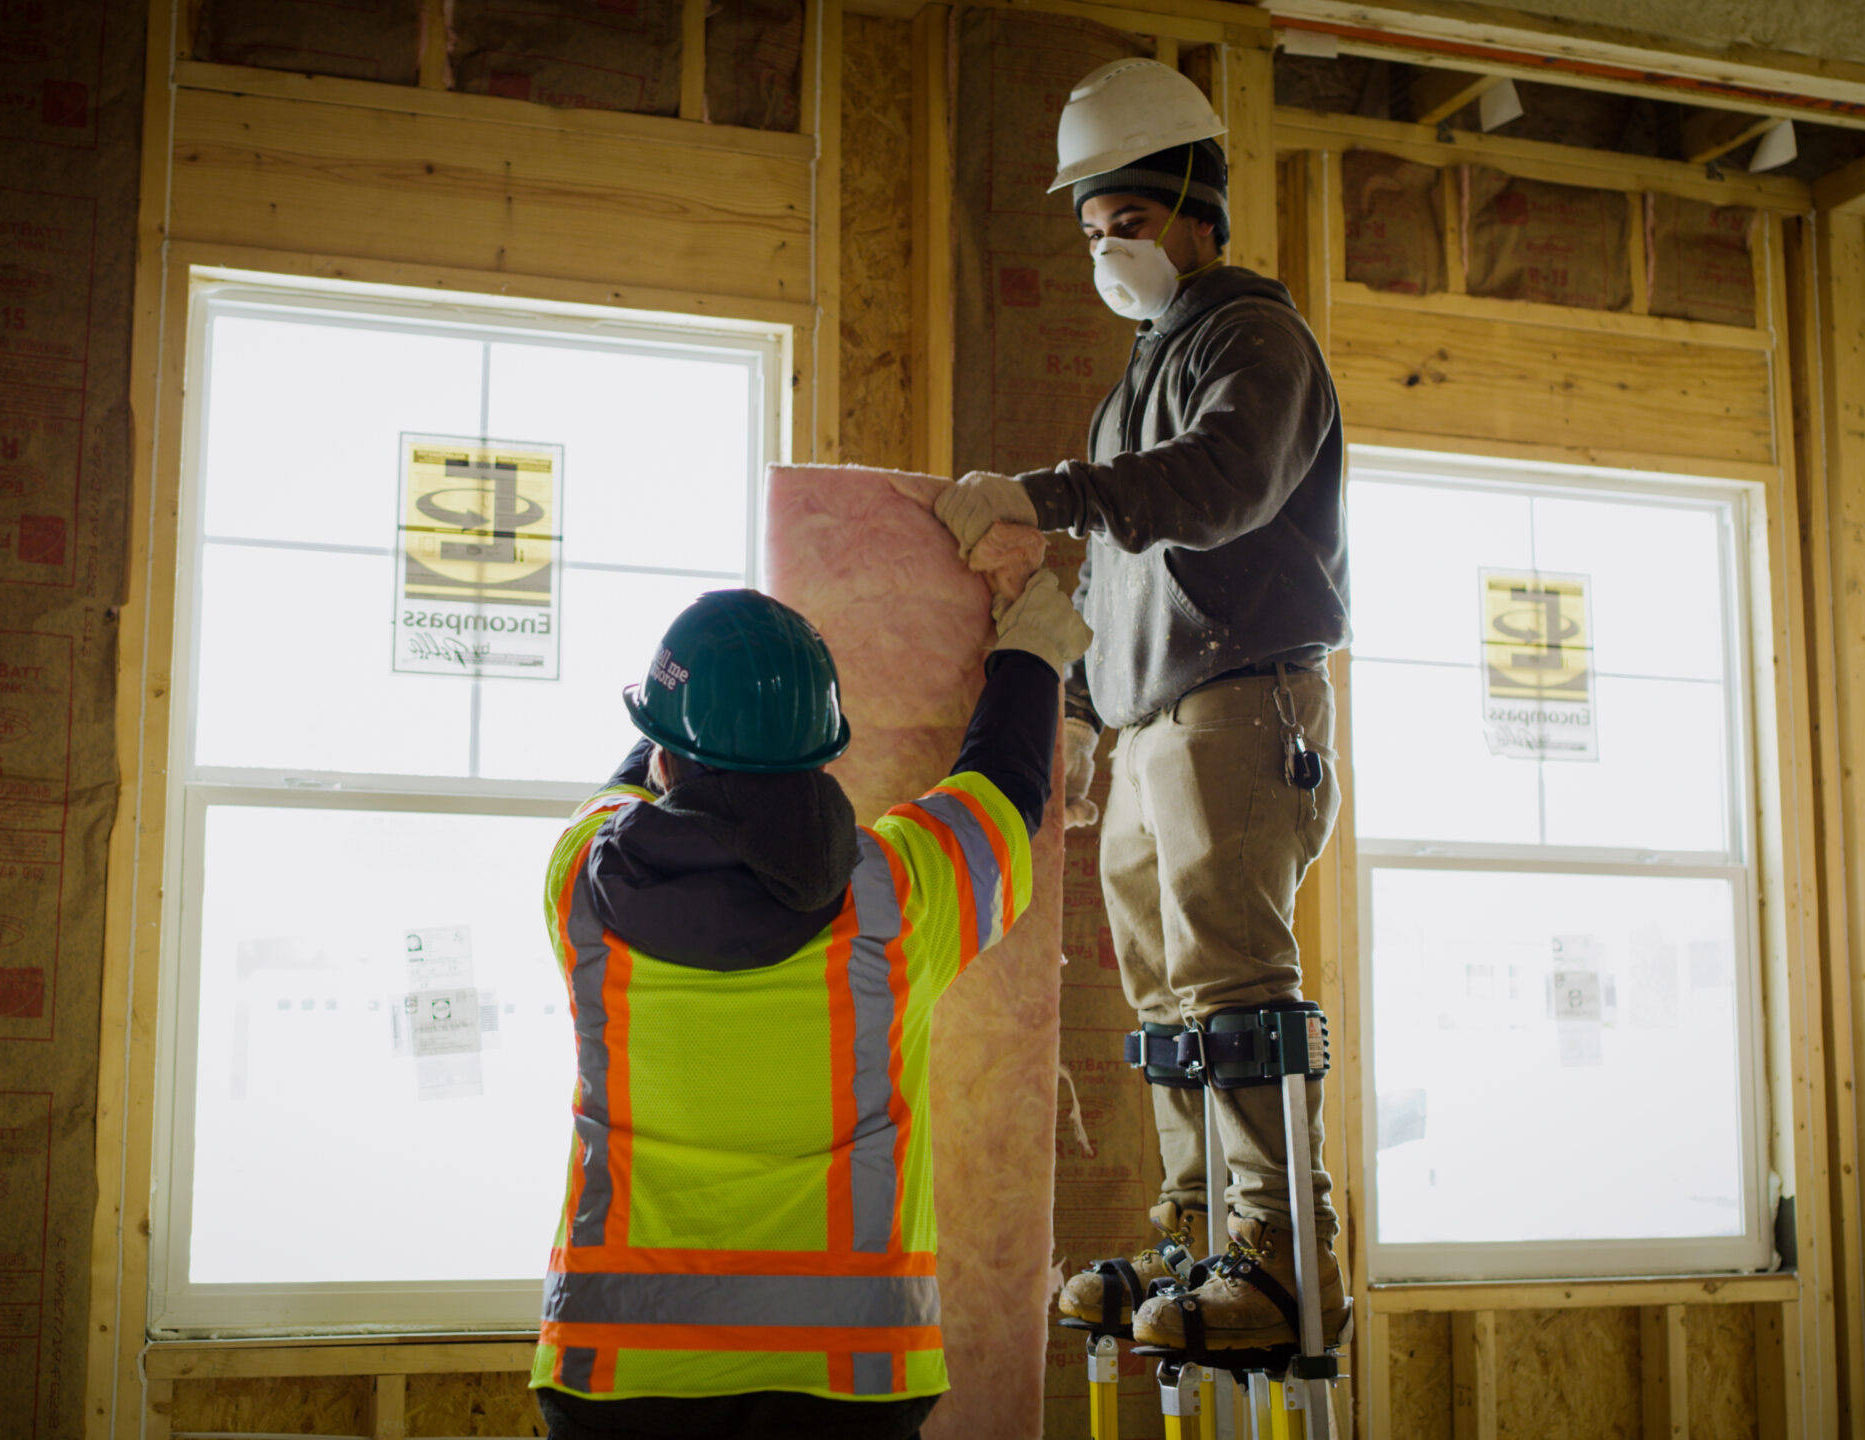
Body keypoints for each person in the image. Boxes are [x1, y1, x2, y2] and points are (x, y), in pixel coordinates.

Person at [929, 57, 1351, 1353]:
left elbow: (1217, 487)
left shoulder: (1254, 341)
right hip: (1148, 721)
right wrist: (1070, 691)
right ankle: (1196, 1239)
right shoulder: (1136, 377)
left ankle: (1283, 1259)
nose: (1111, 252)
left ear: (1195, 203)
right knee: (1169, 1000)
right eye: (1094, 232)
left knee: (1235, 981)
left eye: (1129, 223)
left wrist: (1042, 494)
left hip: (1238, 704)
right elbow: (1124, 572)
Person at [530, 579, 1092, 1440]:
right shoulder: (897, 901)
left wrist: (691, 707)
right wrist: (1031, 658)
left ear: (668, 761)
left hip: (618, 1374)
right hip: (850, 1382)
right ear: (824, 763)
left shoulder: (580, 890)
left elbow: (624, 792)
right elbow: (1005, 793)